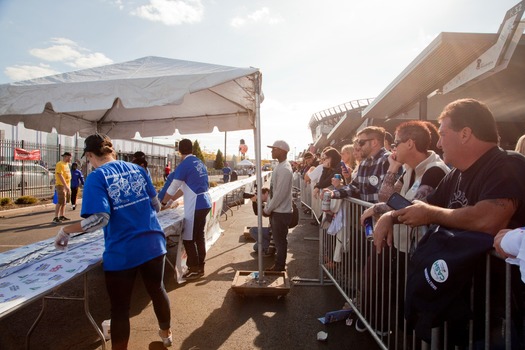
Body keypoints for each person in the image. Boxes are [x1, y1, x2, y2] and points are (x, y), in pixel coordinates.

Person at [371, 98, 525, 345]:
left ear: (465, 134)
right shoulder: (455, 174)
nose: (439, 143)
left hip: (501, 311)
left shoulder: (508, 164)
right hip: (462, 303)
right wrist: (390, 215)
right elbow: (422, 206)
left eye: (442, 134)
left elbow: (489, 218)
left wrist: (431, 214)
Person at [54, 133, 172, 349]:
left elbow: (99, 219)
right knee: (157, 290)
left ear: (90, 155)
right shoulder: (138, 169)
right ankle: (166, 334)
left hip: (122, 252)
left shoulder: (97, 177)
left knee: (120, 309)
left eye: (88, 158)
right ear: (111, 150)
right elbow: (156, 205)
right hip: (153, 243)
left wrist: (66, 230)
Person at [160, 139, 212, 280]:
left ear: (179, 150)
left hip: (196, 205)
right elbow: (183, 189)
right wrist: (170, 201)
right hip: (205, 202)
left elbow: (173, 187)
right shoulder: (200, 163)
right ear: (192, 149)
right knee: (199, 236)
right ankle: (200, 266)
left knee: (189, 238)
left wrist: (164, 202)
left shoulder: (185, 165)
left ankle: (195, 268)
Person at [332, 126, 393, 204]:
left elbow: (391, 195)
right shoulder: (364, 163)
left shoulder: (388, 159)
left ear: (374, 142)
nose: (359, 146)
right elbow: (354, 187)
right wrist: (333, 193)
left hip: (381, 215)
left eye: (361, 142)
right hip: (365, 214)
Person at [264, 140, 293, 272]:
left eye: (274, 149)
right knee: (279, 241)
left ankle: (279, 266)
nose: (271, 151)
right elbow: (274, 191)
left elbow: (279, 194)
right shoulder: (280, 166)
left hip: (281, 212)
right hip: (279, 211)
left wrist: (268, 209)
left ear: (282, 151)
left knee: (280, 241)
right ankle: (279, 265)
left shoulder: (285, 169)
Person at [52, 151, 72, 223]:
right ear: (66, 157)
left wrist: (68, 186)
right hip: (61, 185)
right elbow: (60, 175)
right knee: (60, 201)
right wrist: (65, 186)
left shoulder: (67, 164)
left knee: (64, 202)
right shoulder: (60, 164)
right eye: (69, 157)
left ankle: (62, 215)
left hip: (67, 185)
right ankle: (55, 217)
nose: (70, 159)